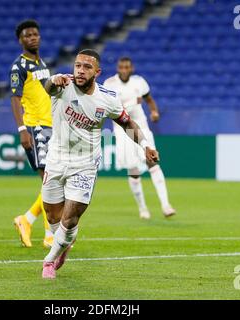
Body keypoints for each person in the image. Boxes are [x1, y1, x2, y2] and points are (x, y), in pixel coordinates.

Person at [40, 49, 160, 279]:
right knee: (52, 216)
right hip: (56, 158)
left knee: (71, 215)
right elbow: (48, 87)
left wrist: (145, 145)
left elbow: (127, 123)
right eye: (78, 65)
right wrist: (52, 80)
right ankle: (63, 245)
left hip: (85, 163)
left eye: (87, 67)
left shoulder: (108, 98)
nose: (80, 70)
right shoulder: (62, 84)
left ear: (97, 72)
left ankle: (49, 261)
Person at [103, 57, 176, 219]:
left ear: (131, 68)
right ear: (117, 68)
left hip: (141, 126)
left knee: (152, 161)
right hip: (123, 129)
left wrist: (154, 112)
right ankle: (142, 208)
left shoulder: (139, 82)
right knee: (134, 170)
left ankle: (166, 205)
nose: (124, 70)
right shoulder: (109, 84)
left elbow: (149, 100)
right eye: (121, 67)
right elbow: (108, 108)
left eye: (127, 67)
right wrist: (130, 105)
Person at [10, 19, 53, 248]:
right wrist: (22, 129)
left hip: (49, 126)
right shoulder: (20, 66)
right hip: (34, 128)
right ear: (21, 40)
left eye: (35, 34)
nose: (33, 38)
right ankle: (50, 236)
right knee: (49, 182)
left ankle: (26, 220)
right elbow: (15, 99)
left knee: (53, 182)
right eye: (27, 35)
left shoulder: (42, 64)